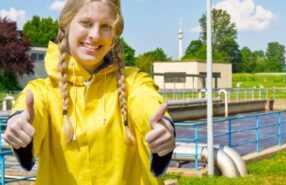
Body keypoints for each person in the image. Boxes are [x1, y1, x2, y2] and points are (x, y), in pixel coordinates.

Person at [3, 0, 176, 184]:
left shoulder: (134, 81)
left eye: (106, 26)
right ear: (66, 25)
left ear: (115, 34)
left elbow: (146, 102)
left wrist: (162, 127)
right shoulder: (41, 91)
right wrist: (19, 126)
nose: (95, 35)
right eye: (86, 23)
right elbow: (30, 111)